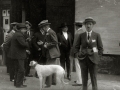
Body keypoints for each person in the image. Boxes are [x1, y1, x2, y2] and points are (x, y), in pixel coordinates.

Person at [74, 17, 103, 90]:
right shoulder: (81, 35)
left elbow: (100, 48)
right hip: (83, 60)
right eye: (87, 24)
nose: (88, 26)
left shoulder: (97, 35)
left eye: (90, 24)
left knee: (93, 78)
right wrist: (77, 55)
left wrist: (98, 57)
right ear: (85, 25)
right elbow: (76, 47)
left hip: (93, 60)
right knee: (84, 78)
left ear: (92, 25)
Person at [38, 20, 60, 87]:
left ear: (45, 27)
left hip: (51, 53)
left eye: (42, 27)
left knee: (48, 68)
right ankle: (53, 82)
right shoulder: (49, 32)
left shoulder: (51, 32)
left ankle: (48, 84)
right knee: (52, 68)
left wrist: (46, 45)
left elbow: (55, 42)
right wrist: (43, 43)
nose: (42, 29)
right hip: (51, 53)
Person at [8, 23, 29, 88]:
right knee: (21, 70)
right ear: (21, 29)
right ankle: (19, 84)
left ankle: (16, 83)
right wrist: (27, 42)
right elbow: (23, 44)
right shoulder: (19, 35)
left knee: (17, 69)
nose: (25, 31)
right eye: (25, 29)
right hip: (19, 55)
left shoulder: (16, 34)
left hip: (16, 55)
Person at [71, 21, 84, 86]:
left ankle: (79, 81)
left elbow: (75, 44)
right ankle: (81, 80)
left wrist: (73, 52)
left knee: (78, 66)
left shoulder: (77, 33)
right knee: (81, 66)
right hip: (82, 52)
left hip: (78, 52)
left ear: (76, 26)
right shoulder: (83, 31)